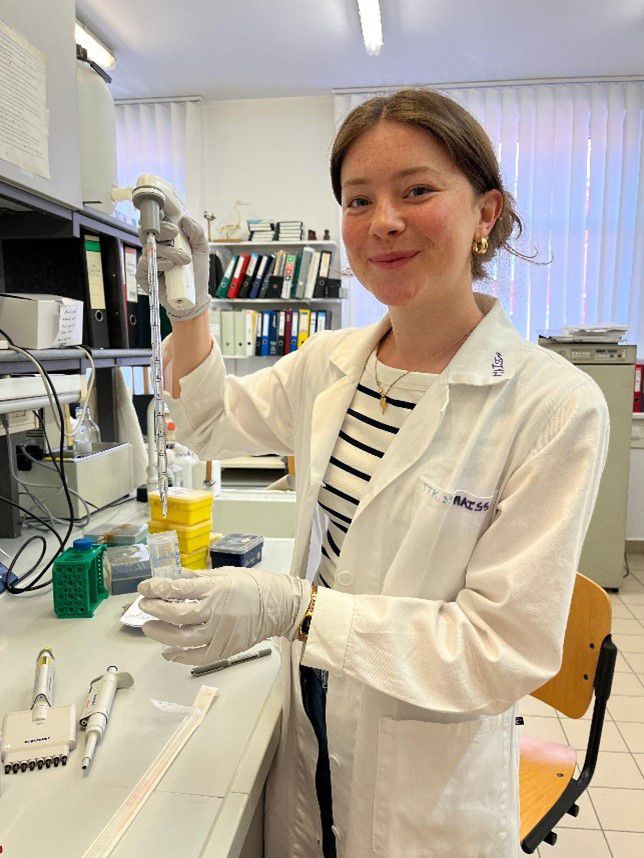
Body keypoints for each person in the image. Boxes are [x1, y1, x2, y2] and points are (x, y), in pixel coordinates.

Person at [136, 88, 610, 857]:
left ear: (485, 213)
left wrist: (299, 612)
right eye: (359, 200)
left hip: (422, 774)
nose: (383, 220)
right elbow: (211, 424)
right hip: (309, 711)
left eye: (416, 190)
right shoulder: (333, 363)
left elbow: (499, 650)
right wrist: (188, 308)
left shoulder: (554, 406)